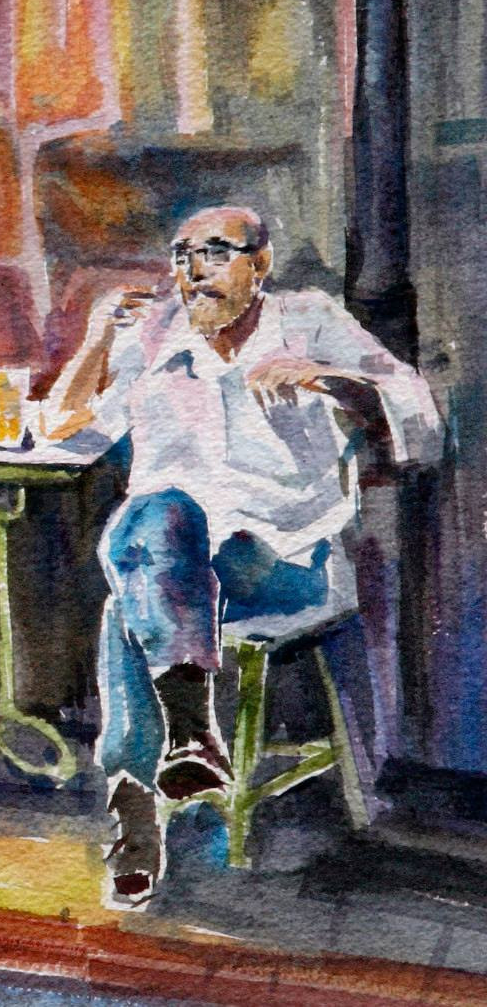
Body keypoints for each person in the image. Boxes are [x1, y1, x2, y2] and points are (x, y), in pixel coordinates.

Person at [48, 206, 440, 908]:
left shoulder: (308, 318)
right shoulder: (156, 339)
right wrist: (96, 340)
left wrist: (327, 377)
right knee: (150, 541)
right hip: (173, 577)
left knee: (140, 580)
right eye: (181, 256)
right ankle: (179, 755)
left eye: (214, 253)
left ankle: (151, 791)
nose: (193, 272)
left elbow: (419, 415)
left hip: (287, 563)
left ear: (258, 265)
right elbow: (67, 433)